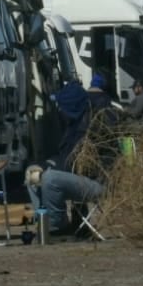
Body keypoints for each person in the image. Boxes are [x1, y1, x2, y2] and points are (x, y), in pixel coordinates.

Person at [29, 73, 130, 236]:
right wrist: (43, 165)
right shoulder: (74, 125)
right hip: (81, 177)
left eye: (63, 106)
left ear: (72, 106)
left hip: (98, 183)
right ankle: (44, 221)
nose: (60, 110)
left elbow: (80, 165)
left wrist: (50, 169)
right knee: (32, 173)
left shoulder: (94, 127)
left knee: (50, 179)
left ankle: (57, 228)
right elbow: (66, 159)